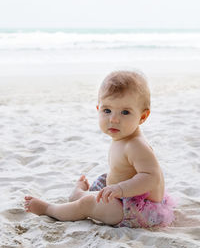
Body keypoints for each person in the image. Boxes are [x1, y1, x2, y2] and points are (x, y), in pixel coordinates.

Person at [24, 70, 175, 228]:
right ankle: (79, 194)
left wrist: (120, 189)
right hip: (125, 198)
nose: (114, 119)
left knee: (89, 203)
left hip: (139, 211)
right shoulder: (123, 137)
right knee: (104, 180)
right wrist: (117, 188)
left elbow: (152, 177)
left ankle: (50, 209)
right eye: (107, 110)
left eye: (125, 112)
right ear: (98, 109)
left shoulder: (136, 145)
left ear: (142, 117)